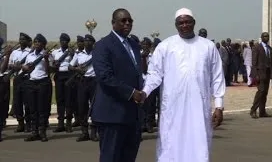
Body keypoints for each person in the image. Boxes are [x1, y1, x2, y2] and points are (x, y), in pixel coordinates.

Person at [142, 8, 225, 162]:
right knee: (171, 145)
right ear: (176, 25)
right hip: (173, 107)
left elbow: (217, 77)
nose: (184, 25)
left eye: (188, 22)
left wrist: (219, 106)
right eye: (181, 22)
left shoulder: (207, 46)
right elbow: (154, 74)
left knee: (199, 145)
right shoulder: (166, 46)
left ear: (194, 23)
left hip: (199, 107)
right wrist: (145, 92)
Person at [91, 8, 144, 162]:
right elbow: (105, 77)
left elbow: (136, 74)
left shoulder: (133, 45)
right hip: (112, 115)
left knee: (128, 157)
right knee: (111, 157)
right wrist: (131, 92)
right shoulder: (103, 45)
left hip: (132, 114)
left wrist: (143, 91)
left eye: (130, 20)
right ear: (113, 23)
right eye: (123, 20)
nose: (127, 23)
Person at [22, 34, 53, 142]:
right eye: (35, 42)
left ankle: (42, 132)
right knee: (32, 109)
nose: (36, 44)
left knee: (42, 108)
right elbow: (25, 68)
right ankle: (34, 132)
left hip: (43, 82)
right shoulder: (30, 55)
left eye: (39, 42)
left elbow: (49, 71)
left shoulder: (47, 55)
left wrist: (46, 59)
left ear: (43, 44)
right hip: (31, 82)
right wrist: (24, 67)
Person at [8, 33, 33, 132]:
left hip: (26, 79)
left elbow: (30, 66)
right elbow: (9, 65)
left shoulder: (30, 52)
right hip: (17, 79)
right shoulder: (14, 52)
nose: (21, 41)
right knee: (17, 102)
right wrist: (14, 67)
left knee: (27, 102)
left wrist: (20, 67)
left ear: (27, 41)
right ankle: (20, 123)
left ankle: (28, 124)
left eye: (23, 39)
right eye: (20, 39)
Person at [250, 32, 272, 119]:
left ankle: (262, 112)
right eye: (265, 36)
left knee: (265, 93)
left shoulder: (270, 49)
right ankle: (253, 110)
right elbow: (254, 62)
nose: (267, 38)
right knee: (261, 91)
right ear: (261, 37)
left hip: (268, 73)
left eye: (268, 36)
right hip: (260, 73)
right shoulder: (257, 47)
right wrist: (255, 74)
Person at [51, 33, 74, 133]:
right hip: (59, 75)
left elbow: (74, 63)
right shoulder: (55, 52)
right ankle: (60, 123)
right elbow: (52, 64)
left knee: (69, 100)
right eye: (61, 40)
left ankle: (68, 123)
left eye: (65, 41)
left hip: (68, 75)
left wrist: (72, 55)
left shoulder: (71, 52)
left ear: (68, 42)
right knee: (60, 100)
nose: (63, 42)